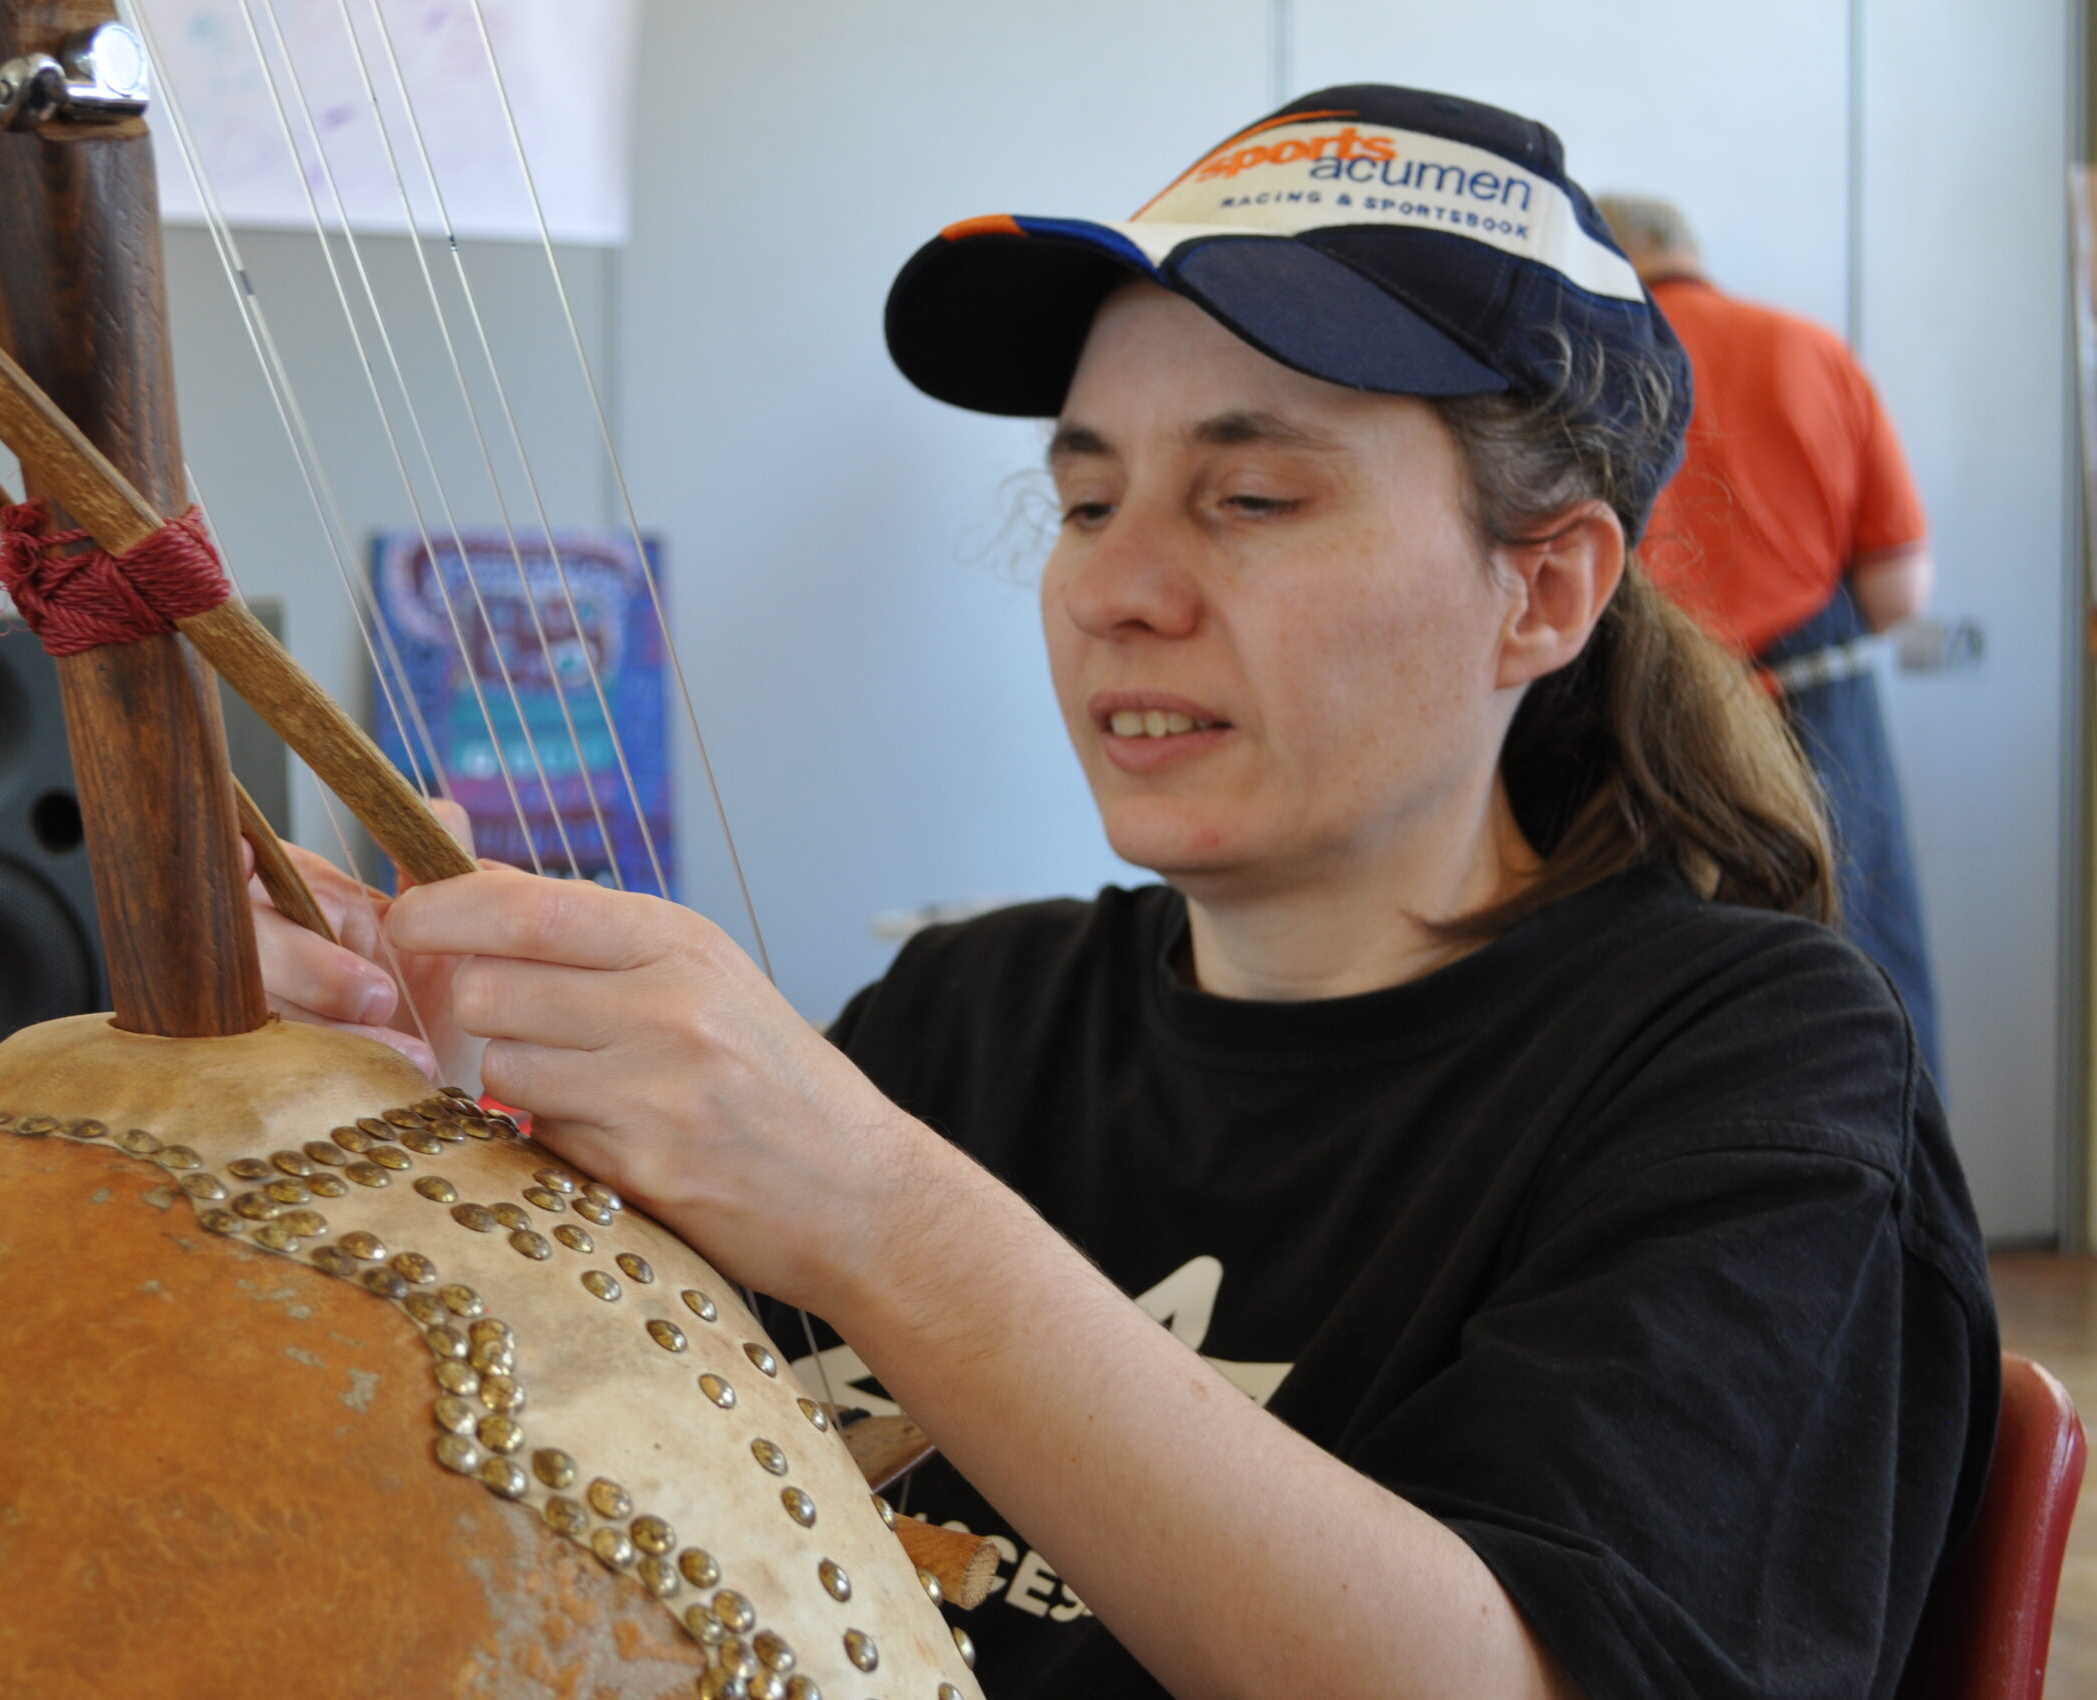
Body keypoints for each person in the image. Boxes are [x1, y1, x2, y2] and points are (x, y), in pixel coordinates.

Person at [259, 87, 1996, 1700]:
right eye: (1085, 501)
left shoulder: (1753, 1065)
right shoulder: (972, 1015)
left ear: (1542, 592)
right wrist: (421, 1111)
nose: (1119, 589)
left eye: (1248, 496)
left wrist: (876, 1208)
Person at [1595, 193, 1942, 1077]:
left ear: (1609, 260)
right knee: (1865, 973)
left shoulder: (1590, 362)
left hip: (1635, 719)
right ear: (1688, 250)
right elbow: (1899, 590)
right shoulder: (1810, 350)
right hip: (1818, 710)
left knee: (1666, 1001)